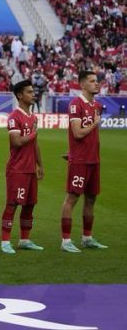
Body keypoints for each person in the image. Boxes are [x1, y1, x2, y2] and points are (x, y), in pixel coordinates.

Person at [60, 71, 107, 253]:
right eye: (92, 81)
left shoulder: (96, 105)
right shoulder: (75, 104)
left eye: (97, 81)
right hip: (80, 160)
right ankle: (66, 241)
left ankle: (87, 238)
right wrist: (94, 124)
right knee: (72, 197)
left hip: (94, 159)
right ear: (82, 84)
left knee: (91, 198)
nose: (97, 84)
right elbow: (78, 133)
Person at [0, 80, 44, 254]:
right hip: (17, 169)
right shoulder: (14, 117)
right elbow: (16, 142)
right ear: (20, 95)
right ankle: (5, 242)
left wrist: (39, 164)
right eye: (29, 92)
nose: (33, 94)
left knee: (30, 204)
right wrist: (33, 134)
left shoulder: (33, 117)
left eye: (33, 91)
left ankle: (24, 240)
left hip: (30, 168)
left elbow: (35, 143)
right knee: (13, 204)